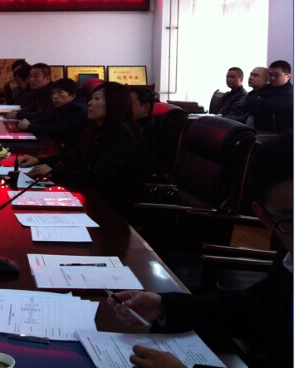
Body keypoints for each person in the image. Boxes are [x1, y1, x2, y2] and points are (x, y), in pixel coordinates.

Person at [107, 134, 293, 368]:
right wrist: (164, 307)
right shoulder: (288, 256)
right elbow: (254, 308)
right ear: (264, 217)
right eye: (290, 218)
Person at [19, 82, 143, 218]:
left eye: (97, 98)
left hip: (111, 209)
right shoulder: (100, 129)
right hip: (92, 196)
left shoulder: (121, 135)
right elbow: (76, 154)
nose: (89, 103)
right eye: (92, 98)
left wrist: (54, 173)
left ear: (114, 104)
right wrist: (39, 161)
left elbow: (98, 175)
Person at [17, 78, 87, 150]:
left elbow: (57, 130)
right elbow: (49, 119)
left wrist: (30, 126)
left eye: (60, 92)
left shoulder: (77, 109)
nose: (55, 97)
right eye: (53, 93)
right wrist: (29, 123)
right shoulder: (65, 105)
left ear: (72, 96)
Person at [244, 60, 293, 133]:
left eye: (276, 75)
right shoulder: (267, 88)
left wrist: (260, 103)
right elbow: (248, 101)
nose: (272, 78)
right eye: (270, 75)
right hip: (260, 129)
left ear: (288, 76)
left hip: (279, 134)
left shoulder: (290, 93)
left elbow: (267, 105)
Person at [130, 86, 157, 177]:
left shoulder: (147, 131)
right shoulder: (134, 125)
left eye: (131, 104)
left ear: (145, 108)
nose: (126, 107)